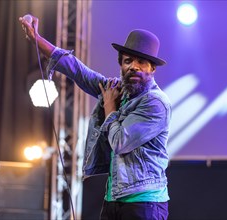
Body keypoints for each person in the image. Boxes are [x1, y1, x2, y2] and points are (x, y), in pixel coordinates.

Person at [19, 15, 171, 220]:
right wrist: (38, 40)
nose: (134, 66)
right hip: (114, 198)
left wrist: (109, 105)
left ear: (152, 68)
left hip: (144, 202)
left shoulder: (155, 102)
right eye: (128, 61)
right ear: (121, 66)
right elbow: (79, 71)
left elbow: (119, 142)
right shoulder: (118, 90)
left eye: (142, 62)